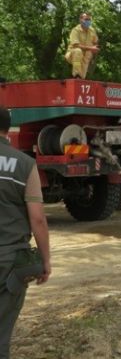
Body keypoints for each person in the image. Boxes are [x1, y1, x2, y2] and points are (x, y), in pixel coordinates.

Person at [0, 107, 51, 358]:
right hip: (8, 261)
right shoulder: (24, 164)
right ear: (9, 129)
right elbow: (38, 219)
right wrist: (45, 260)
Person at [64, 12, 99, 79]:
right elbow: (76, 45)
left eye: (89, 20)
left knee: (89, 53)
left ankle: (81, 78)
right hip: (72, 54)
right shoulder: (75, 30)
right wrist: (91, 48)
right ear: (80, 20)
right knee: (78, 51)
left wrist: (95, 49)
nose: (88, 21)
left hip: (85, 54)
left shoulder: (92, 30)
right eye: (86, 19)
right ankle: (76, 75)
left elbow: (95, 42)